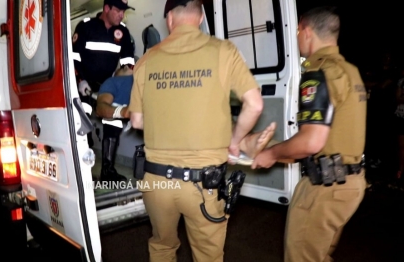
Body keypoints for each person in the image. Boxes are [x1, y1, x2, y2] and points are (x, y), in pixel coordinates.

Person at [128, 0, 270, 261]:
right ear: (202, 16)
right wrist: (235, 142)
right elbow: (255, 103)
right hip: (204, 185)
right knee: (208, 256)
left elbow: (136, 120)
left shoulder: (147, 59)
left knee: (161, 246)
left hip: (156, 182)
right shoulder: (223, 51)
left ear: (169, 19)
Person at [250, 7, 367, 262]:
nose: (296, 37)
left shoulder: (318, 73)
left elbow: (311, 142)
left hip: (324, 189)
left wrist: (270, 154)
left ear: (306, 31)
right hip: (350, 184)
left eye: (297, 31)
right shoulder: (350, 71)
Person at [72, 0, 136, 148]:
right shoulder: (86, 26)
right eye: (118, 10)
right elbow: (74, 58)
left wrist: (117, 86)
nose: (122, 15)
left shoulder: (123, 33)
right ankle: (85, 146)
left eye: (124, 11)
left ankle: (107, 168)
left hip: (107, 84)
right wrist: (80, 80)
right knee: (84, 110)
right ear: (107, 8)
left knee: (114, 117)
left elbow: (128, 65)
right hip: (84, 83)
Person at [96, 65, 134, 181]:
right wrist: (122, 112)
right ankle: (107, 172)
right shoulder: (113, 82)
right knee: (112, 124)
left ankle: (107, 172)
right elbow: (101, 108)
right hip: (121, 114)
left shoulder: (113, 81)